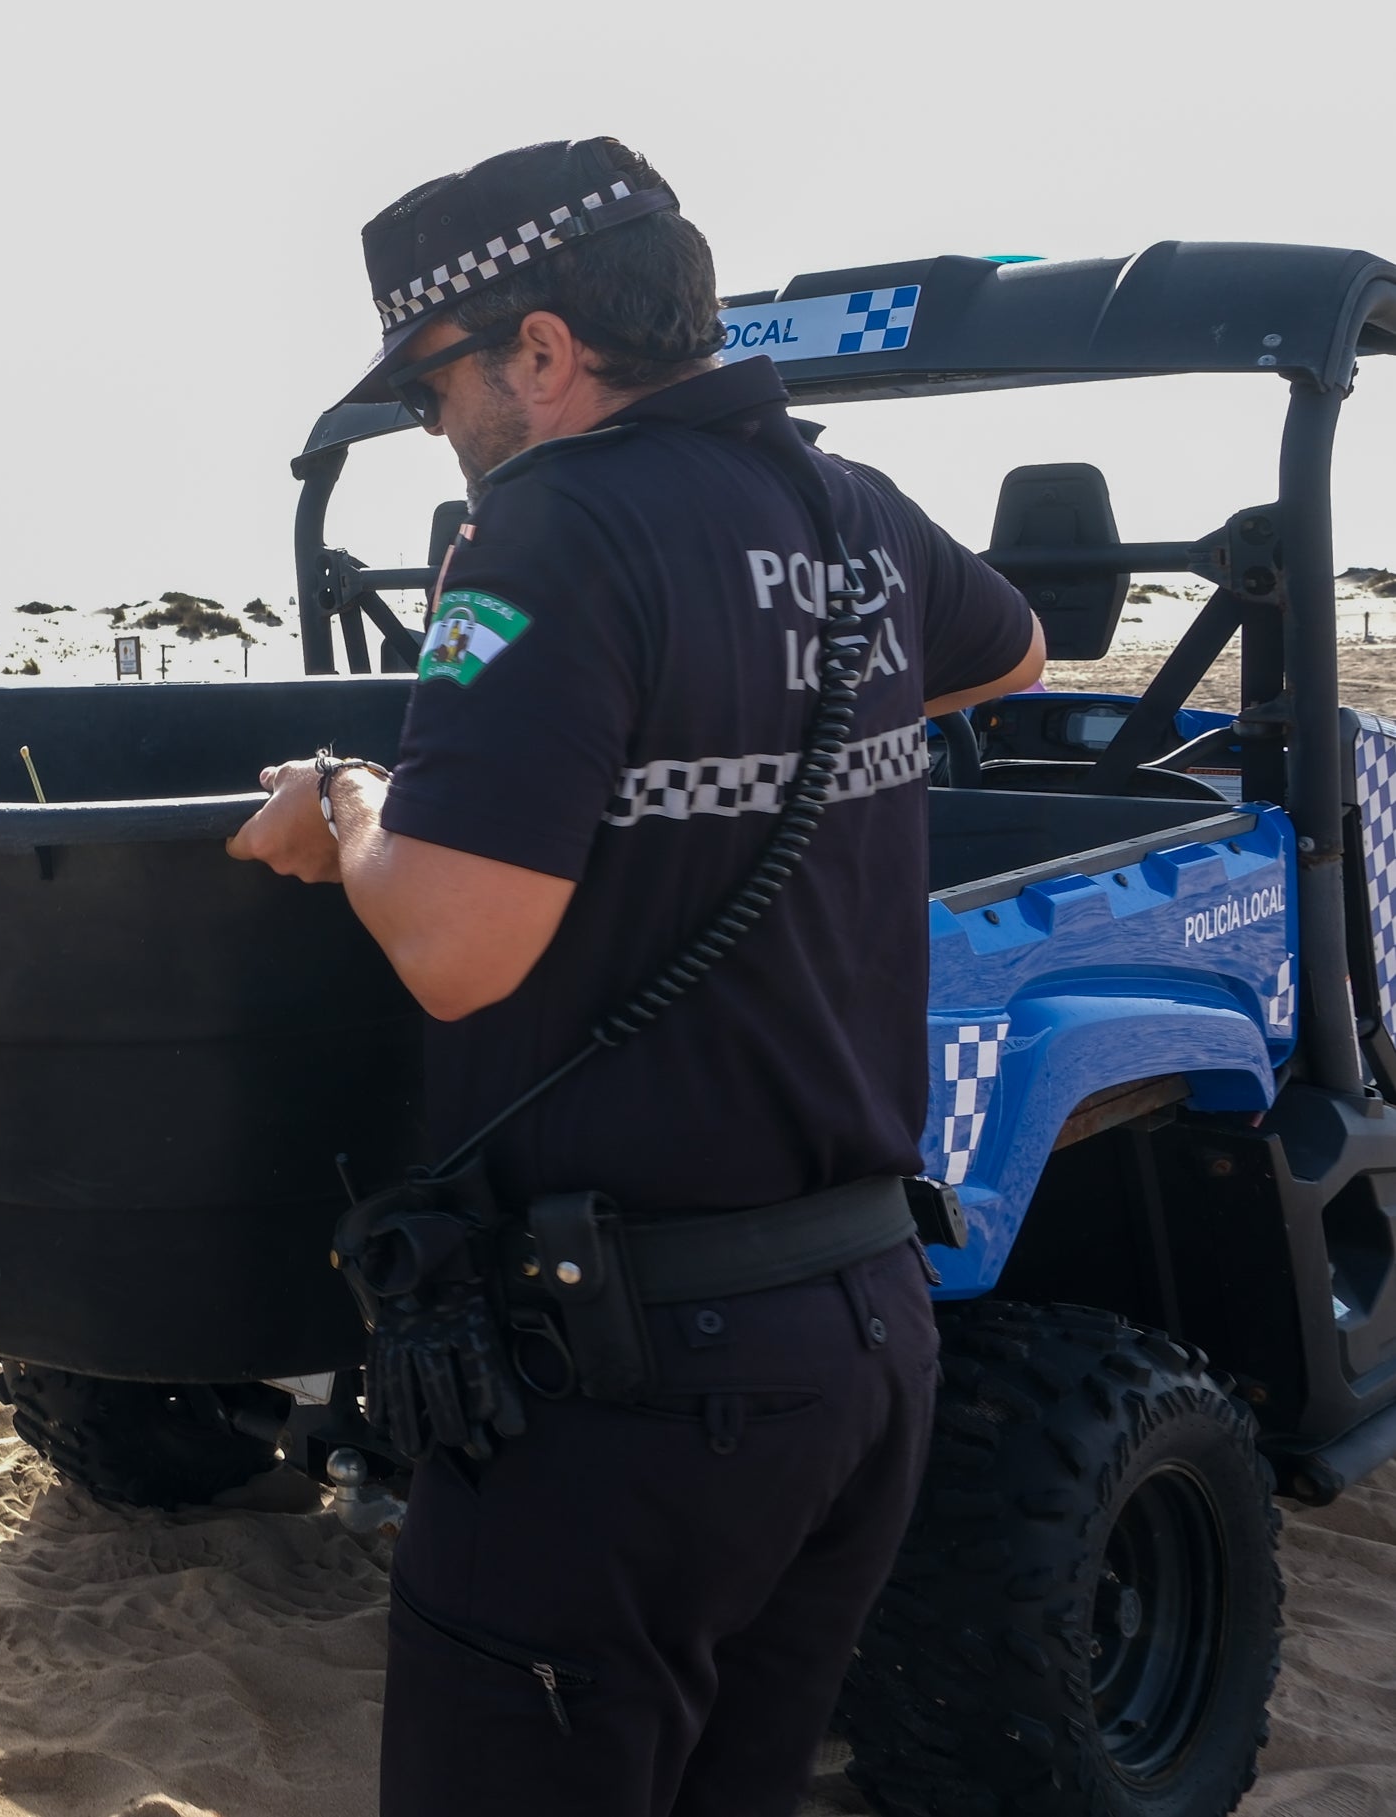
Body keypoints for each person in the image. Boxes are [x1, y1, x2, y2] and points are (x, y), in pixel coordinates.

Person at [226, 139, 1046, 1817]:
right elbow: (1015, 651)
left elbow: (454, 949)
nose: (435, 429)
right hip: (863, 1326)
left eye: (433, 388)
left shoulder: (551, 525)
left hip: (631, 1377)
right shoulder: (848, 508)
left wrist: (348, 806)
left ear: (540, 348)